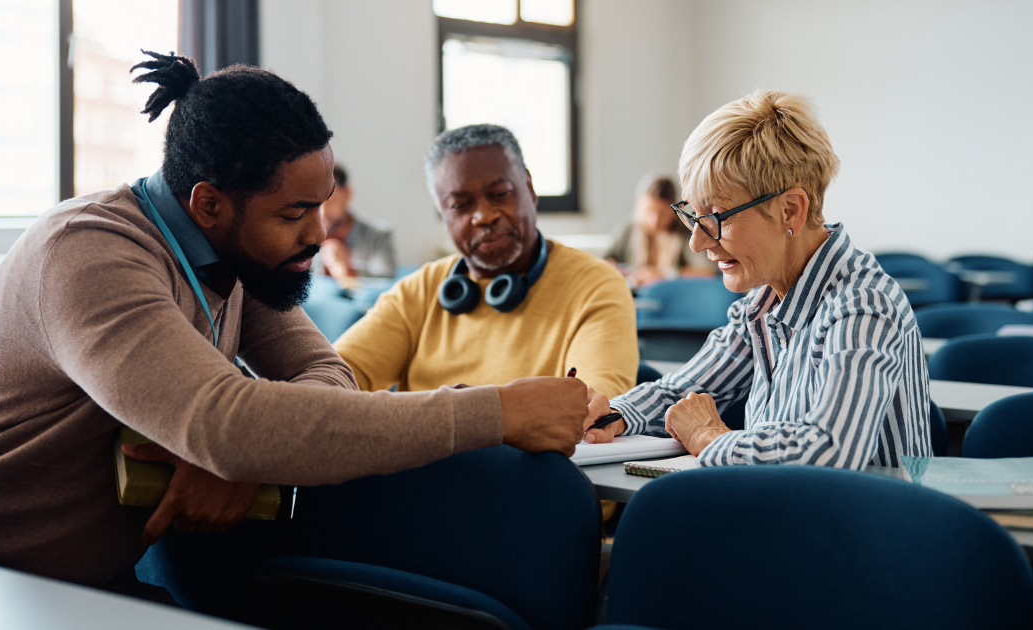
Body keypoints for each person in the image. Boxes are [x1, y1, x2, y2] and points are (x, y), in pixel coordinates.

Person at [0, 52, 588, 599]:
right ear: (209, 205)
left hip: (90, 590)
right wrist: (498, 412)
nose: (318, 233)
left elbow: (325, 371)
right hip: (11, 585)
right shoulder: (92, 254)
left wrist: (249, 454)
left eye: (323, 203)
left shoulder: (234, 257)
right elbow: (229, 425)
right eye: (294, 212)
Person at [583, 90, 931, 469]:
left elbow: (830, 451)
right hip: (783, 513)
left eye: (717, 216)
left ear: (790, 210)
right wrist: (612, 414)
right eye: (694, 216)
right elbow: (680, 390)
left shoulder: (863, 305)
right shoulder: (763, 301)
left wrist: (710, 438)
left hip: (862, 524)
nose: (698, 242)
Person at [334, 124, 638, 400]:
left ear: (530, 189)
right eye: (461, 205)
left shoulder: (597, 285)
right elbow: (332, 379)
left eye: (500, 194)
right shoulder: (419, 292)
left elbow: (590, 405)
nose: (483, 216)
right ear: (443, 214)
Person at [604, 174, 716, 287]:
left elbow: (708, 271)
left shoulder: (686, 232)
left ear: (674, 211)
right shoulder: (629, 228)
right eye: (648, 212)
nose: (655, 221)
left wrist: (665, 274)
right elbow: (604, 261)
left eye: (662, 214)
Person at [318, 164, 397, 285]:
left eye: (330, 202)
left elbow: (386, 288)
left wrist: (347, 273)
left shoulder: (379, 235)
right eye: (316, 205)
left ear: (348, 194)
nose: (322, 213)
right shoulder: (303, 237)